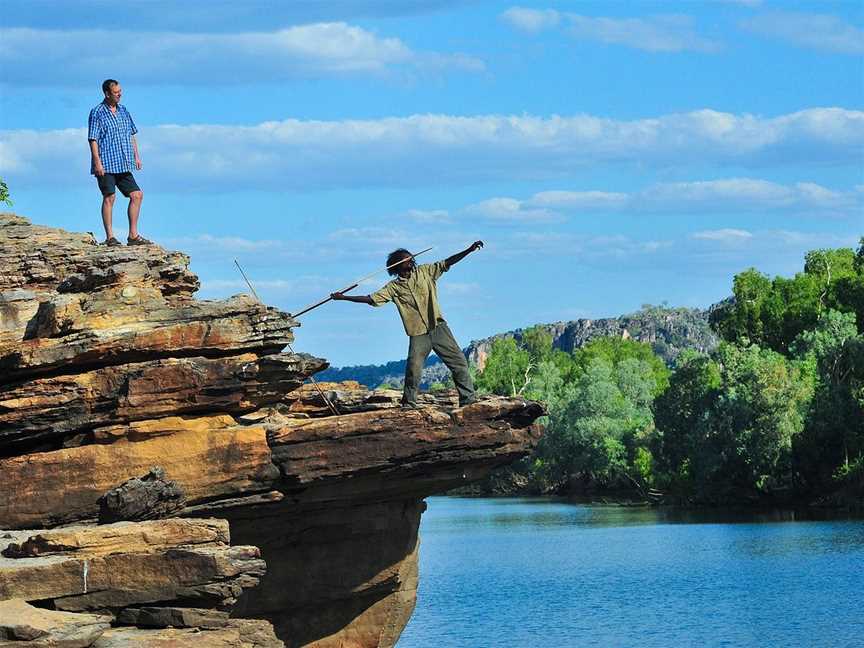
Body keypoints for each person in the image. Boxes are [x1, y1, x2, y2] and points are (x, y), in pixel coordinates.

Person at [331, 242, 484, 408]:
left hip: (438, 327)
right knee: (414, 368)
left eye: (410, 257)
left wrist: (469, 250)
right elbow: (371, 299)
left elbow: (448, 262)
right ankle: (409, 403)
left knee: (459, 362)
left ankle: (468, 400)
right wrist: (344, 297)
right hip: (418, 333)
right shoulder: (393, 288)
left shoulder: (426, 272)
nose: (411, 260)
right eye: (406, 259)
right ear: (397, 265)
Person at [88, 79, 151, 246]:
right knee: (110, 197)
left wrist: (136, 156)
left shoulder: (123, 110)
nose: (119, 94)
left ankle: (133, 235)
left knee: (137, 195)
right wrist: (97, 162)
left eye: (120, 91)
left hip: (123, 162)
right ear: (107, 94)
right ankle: (110, 237)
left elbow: (131, 134)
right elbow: (93, 138)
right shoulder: (97, 112)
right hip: (106, 163)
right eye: (116, 92)